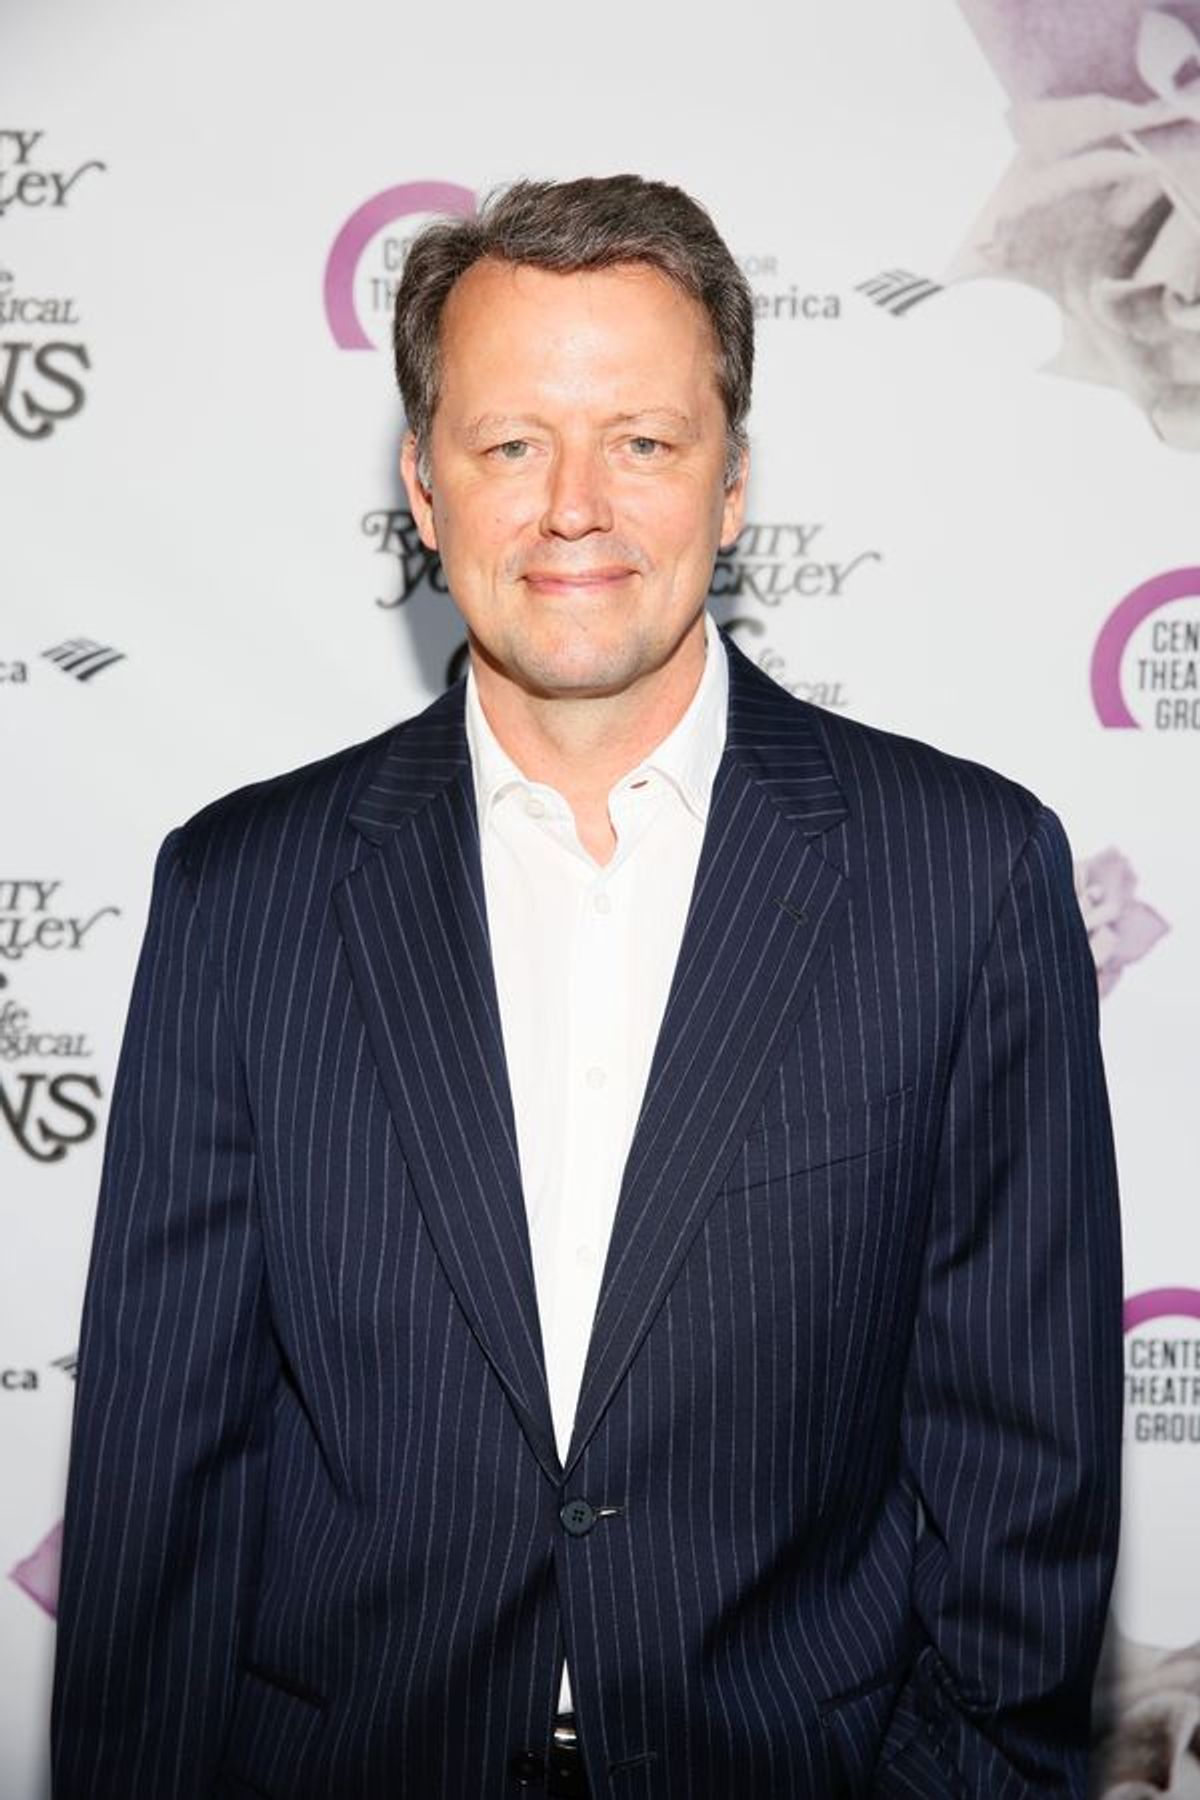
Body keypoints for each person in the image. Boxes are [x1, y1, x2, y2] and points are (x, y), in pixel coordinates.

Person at [51, 174, 1123, 1799]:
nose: (574, 508)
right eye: (507, 444)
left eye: (642, 439)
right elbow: (162, 1492)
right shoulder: (241, 896)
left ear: (735, 482)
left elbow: (1022, 1473)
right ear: (422, 488)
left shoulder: (963, 876)